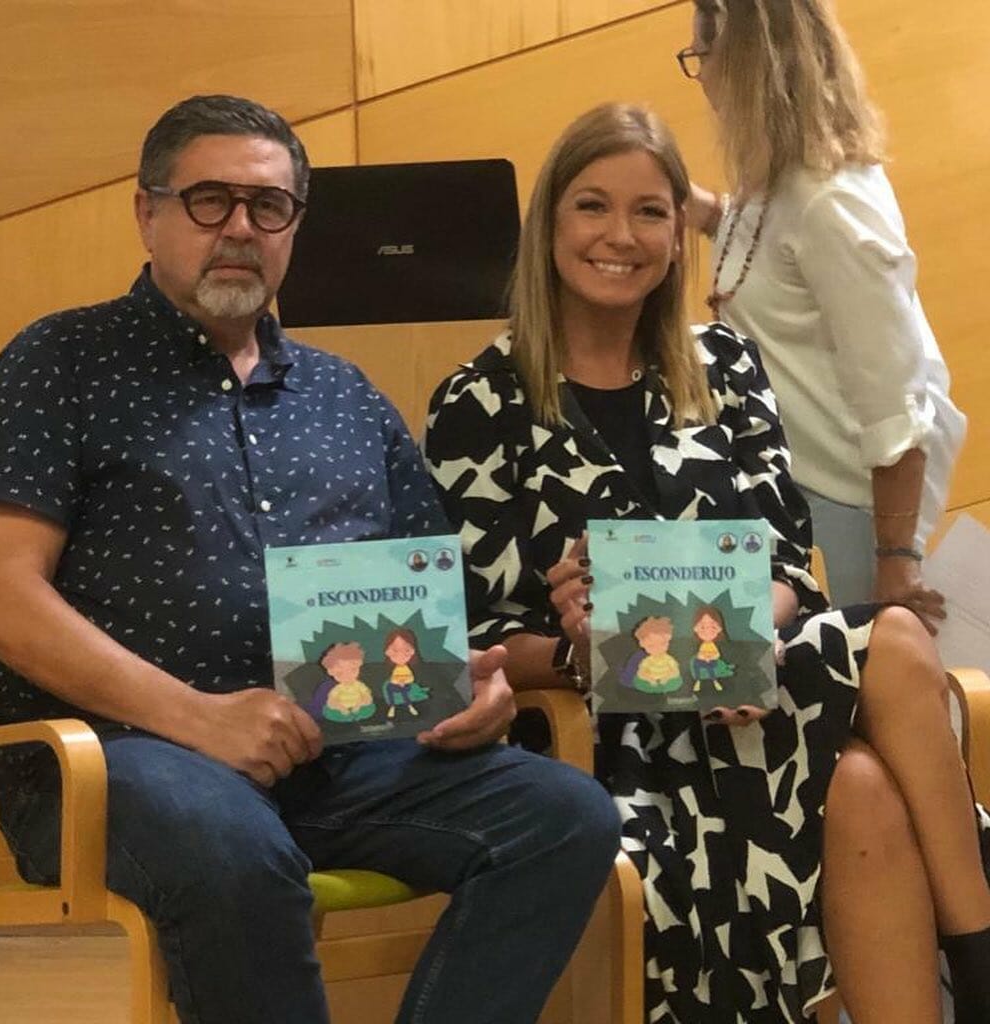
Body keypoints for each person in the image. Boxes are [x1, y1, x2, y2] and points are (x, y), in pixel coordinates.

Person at [0, 94, 621, 1024]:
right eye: (208, 201)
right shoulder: (60, 362)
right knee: (230, 841)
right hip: (122, 760)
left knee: (565, 817)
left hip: (343, 755)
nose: (240, 227)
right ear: (146, 212)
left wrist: (474, 691)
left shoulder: (345, 396)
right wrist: (199, 719)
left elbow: (434, 615)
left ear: (295, 228)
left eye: (268, 207)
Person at [422, 102, 990, 1024]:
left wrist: (743, 632)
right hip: (602, 734)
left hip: (753, 695)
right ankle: (981, 960)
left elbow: (787, 569)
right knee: (883, 666)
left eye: (651, 211)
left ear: (677, 231)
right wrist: (585, 646)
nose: (622, 235)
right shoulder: (477, 404)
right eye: (594, 207)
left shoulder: (723, 363)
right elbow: (470, 643)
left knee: (869, 742)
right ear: (550, 224)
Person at [678, 0, 966, 611]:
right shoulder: (783, 179)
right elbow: (779, 258)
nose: (701, 76)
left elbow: (894, 399)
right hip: (801, 495)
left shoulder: (830, 201)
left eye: (702, 57)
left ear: (746, 62)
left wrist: (895, 564)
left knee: (859, 695)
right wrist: (705, 211)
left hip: (851, 514)